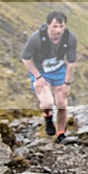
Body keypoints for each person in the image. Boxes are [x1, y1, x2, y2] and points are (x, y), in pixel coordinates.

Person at [21, 11, 78, 143]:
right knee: (47, 102)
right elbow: (26, 58)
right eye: (55, 26)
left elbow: (71, 63)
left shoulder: (70, 38)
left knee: (62, 103)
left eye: (61, 26)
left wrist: (67, 84)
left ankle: (61, 133)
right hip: (41, 71)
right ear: (48, 25)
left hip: (58, 70)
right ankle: (48, 116)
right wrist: (38, 77)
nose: (58, 30)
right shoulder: (36, 38)